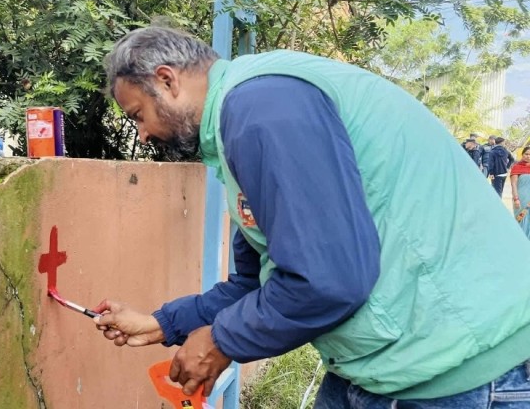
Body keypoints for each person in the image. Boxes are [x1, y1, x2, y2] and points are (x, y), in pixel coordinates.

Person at [94, 26, 530, 408]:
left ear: (166, 80)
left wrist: (219, 340)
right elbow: (256, 284)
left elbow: (325, 278)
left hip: (457, 370)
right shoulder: (238, 125)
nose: (144, 134)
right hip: (383, 365)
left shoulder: (263, 109)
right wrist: (161, 323)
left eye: (138, 116)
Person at [510, 146, 530, 239]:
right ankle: (520, 241)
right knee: (521, 219)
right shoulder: (517, 167)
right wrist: (516, 199)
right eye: (526, 154)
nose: (528, 156)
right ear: (522, 155)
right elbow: (514, 184)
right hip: (521, 199)